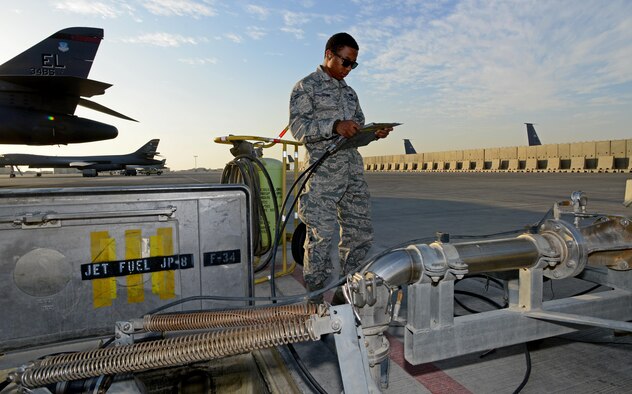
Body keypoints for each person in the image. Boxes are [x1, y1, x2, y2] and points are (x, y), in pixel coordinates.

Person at [288, 32, 392, 303]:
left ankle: (345, 294)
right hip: (323, 174)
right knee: (321, 238)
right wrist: (334, 126)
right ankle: (315, 299)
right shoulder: (305, 87)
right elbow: (299, 129)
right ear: (328, 55)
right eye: (345, 62)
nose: (348, 69)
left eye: (353, 65)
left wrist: (372, 134)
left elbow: (355, 131)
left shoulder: (349, 93)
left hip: (352, 172)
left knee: (359, 234)